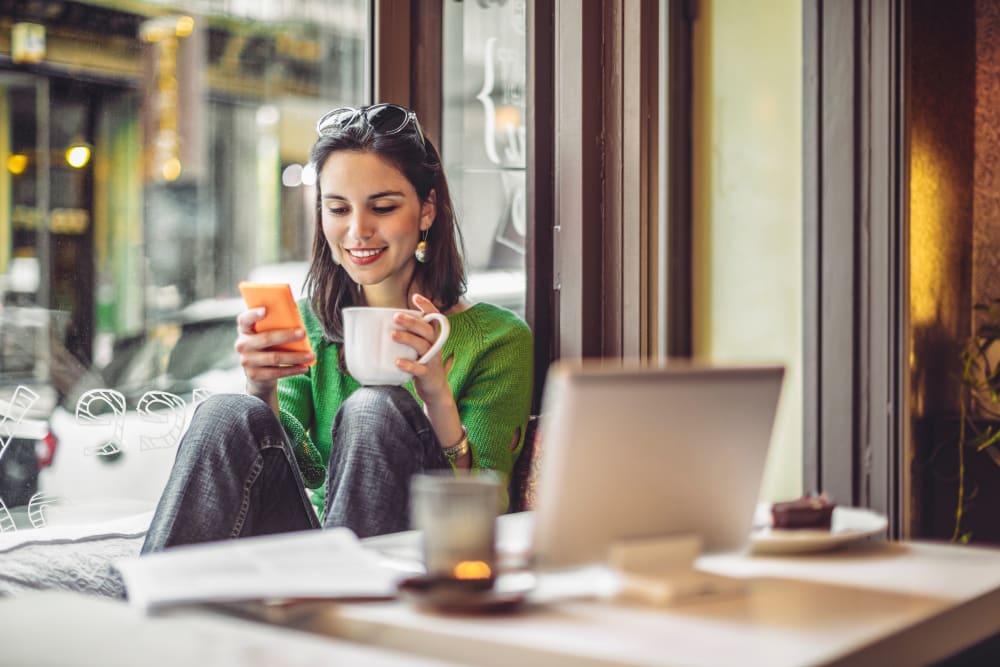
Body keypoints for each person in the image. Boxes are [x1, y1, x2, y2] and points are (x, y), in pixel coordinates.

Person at [141, 103, 533, 551]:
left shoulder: (498, 339)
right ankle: (148, 612)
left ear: (427, 211)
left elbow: (480, 509)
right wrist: (261, 388)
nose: (358, 230)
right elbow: (303, 470)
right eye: (338, 208)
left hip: (415, 552)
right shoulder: (310, 322)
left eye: (382, 207)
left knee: (374, 407)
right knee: (226, 410)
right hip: (317, 549)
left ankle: (346, 605)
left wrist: (436, 396)